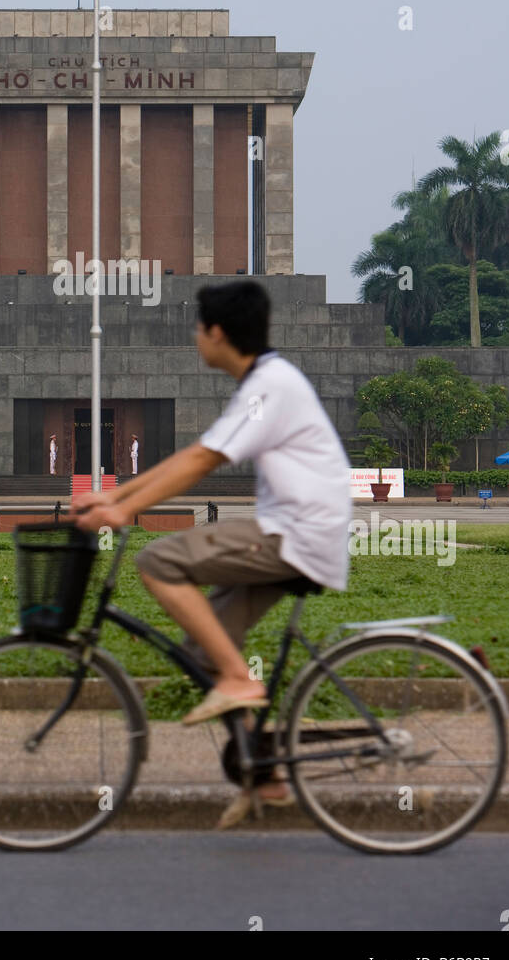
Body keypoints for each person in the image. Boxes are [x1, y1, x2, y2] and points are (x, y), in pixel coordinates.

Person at [70, 280, 351, 803]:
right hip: (299, 533)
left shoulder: (271, 386)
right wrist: (111, 496)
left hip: (296, 535)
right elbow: (198, 451)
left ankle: (241, 679)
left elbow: (203, 461)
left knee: (158, 561)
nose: (196, 339)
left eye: (198, 330)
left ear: (217, 333)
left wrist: (123, 510)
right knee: (203, 650)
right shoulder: (263, 383)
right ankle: (264, 770)